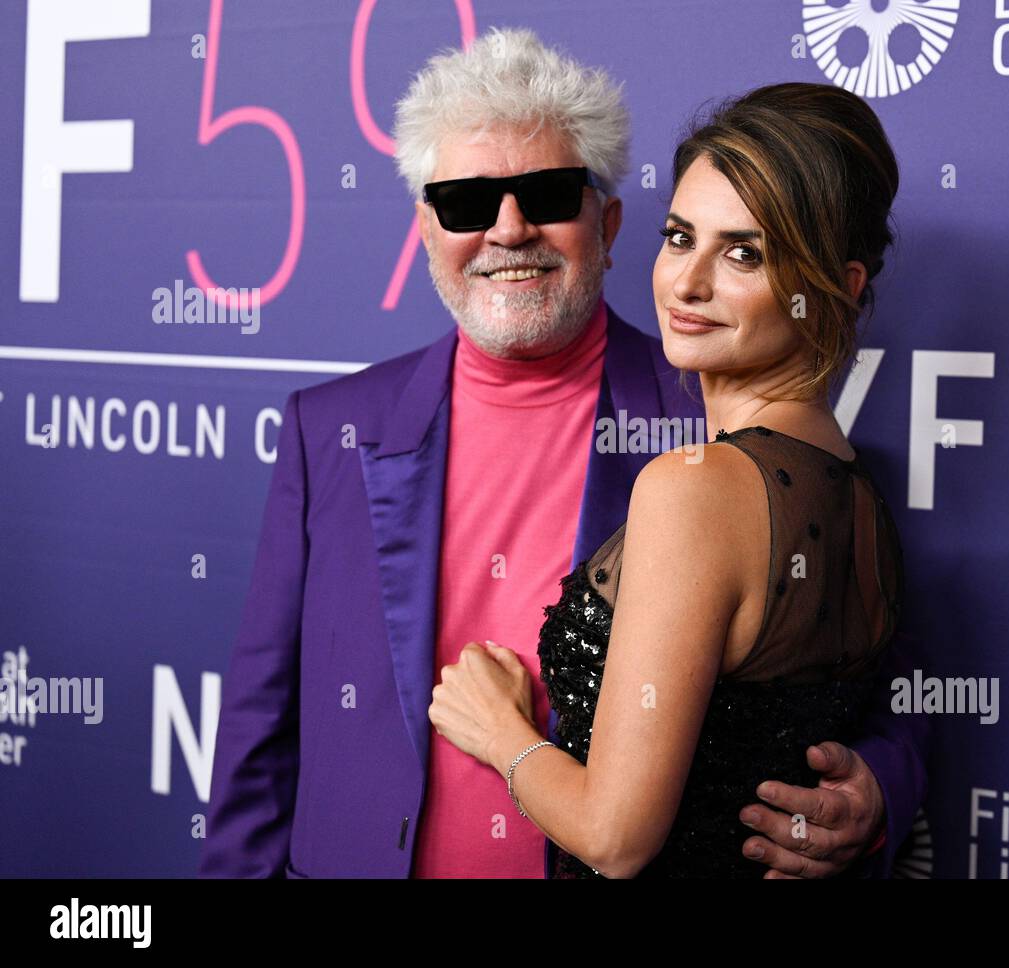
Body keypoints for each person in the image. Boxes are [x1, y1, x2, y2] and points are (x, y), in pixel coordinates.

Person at [198, 27, 928, 879]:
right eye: (467, 203)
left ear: (608, 222)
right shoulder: (330, 428)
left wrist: (877, 790)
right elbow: (259, 725)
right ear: (427, 231)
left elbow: (878, 682)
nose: (508, 230)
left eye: (544, 192)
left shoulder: (724, 425)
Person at [427, 77, 915, 878]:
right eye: (680, 237)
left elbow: (617, 839)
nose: (686, 284)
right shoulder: (859, 492)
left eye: (745, 254)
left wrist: (500, 733)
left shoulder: (693, 487)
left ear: (839, 287)